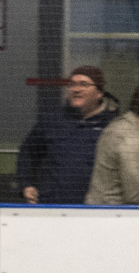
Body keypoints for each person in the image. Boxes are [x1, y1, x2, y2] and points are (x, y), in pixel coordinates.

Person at [17, 64, 119, 204]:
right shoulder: (51, 121)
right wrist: (26, 184)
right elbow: (27, 153)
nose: (76, 89)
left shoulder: (113, 126)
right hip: (52, 206)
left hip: (96, 209)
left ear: (99, 92)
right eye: (72, 84)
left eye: (84, 84)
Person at [86, 83, 139, 205]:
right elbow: (135, 196)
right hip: (113, 217)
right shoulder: (132, 139)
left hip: (102, 212)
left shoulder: (122, 126)